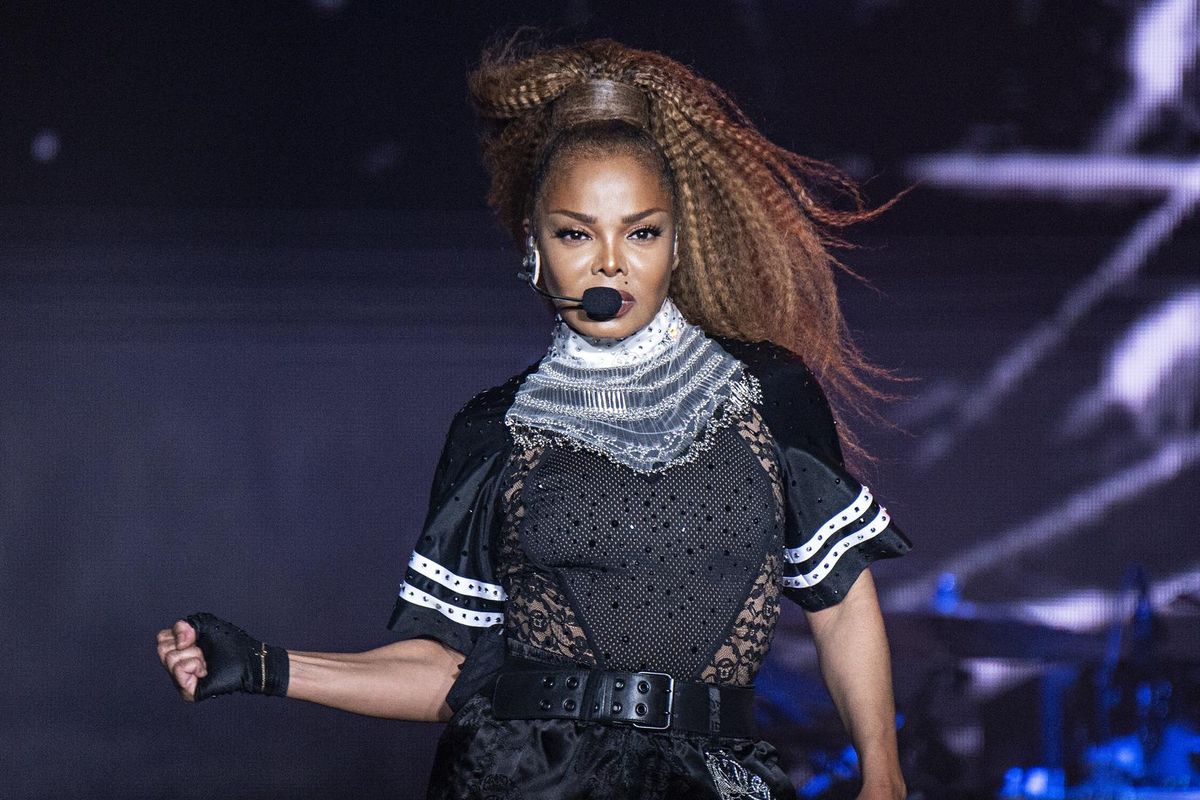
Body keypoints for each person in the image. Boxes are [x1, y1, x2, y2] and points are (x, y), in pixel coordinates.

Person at [156, 37, 913, 800]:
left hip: (715, 776)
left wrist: (883, 777)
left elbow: (843, 604)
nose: (610, 262)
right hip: (524, 778)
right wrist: (264, 666)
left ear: (676, 245)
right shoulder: (494, 430)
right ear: (535, 249)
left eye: (640, 231)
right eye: (576, 233)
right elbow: (452, 672)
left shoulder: (770, 394)